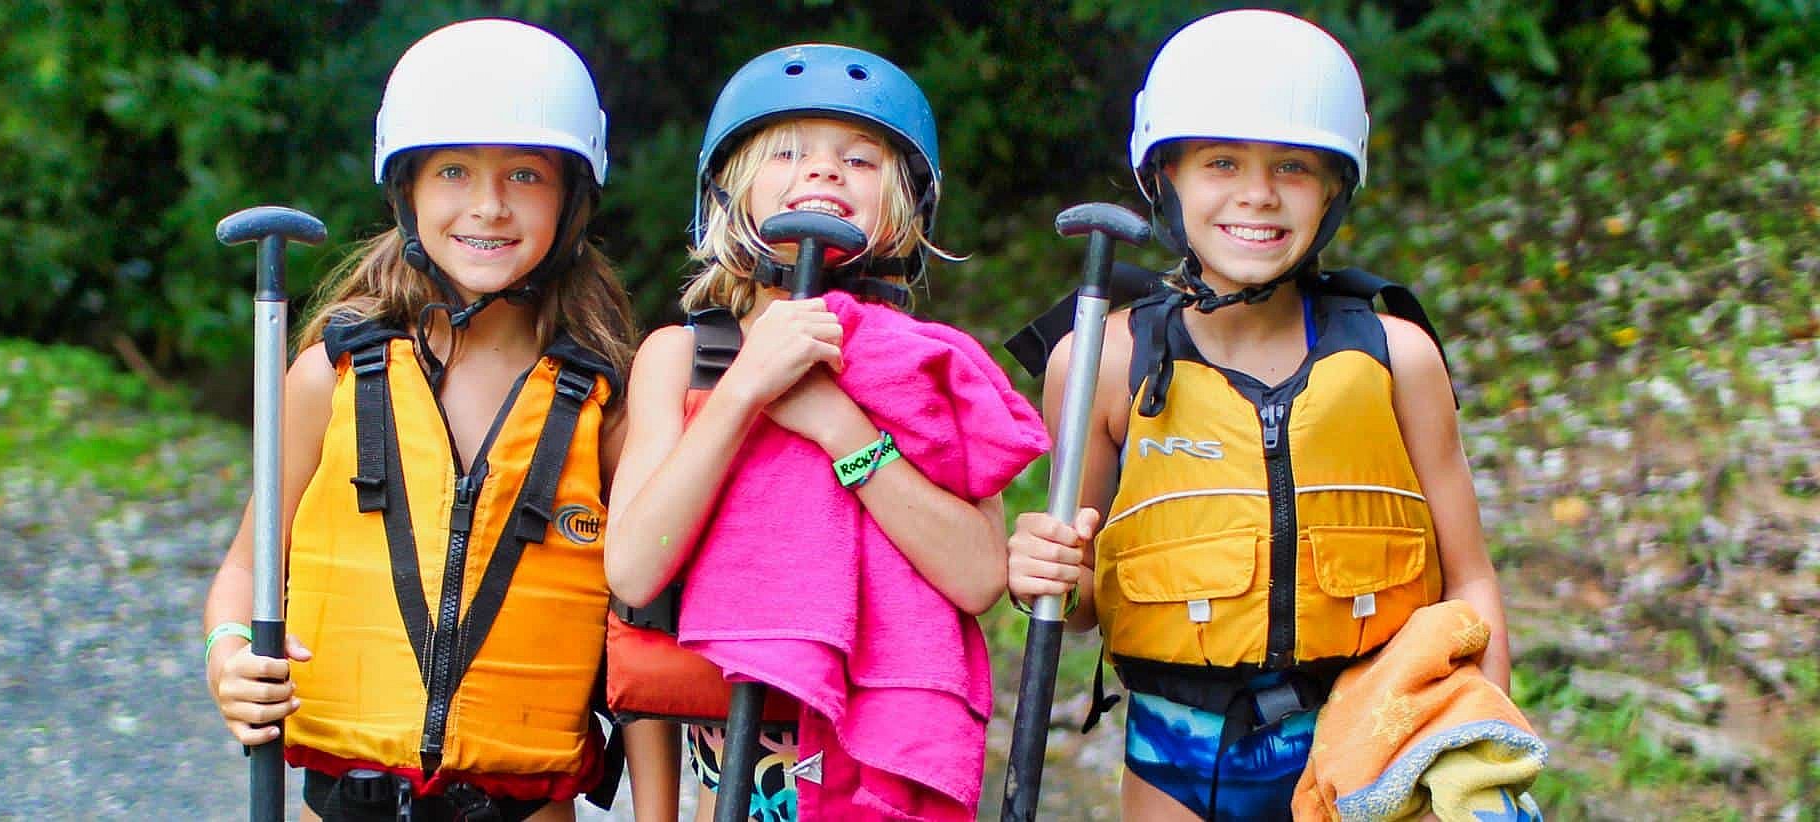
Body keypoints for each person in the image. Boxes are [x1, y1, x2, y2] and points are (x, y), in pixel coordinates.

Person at [1004, 9, 1514, 821]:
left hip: (1372, 754)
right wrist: (1045, 573)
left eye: (1293, 167)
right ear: (1164, 176)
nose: (1257, 195)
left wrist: (1482, 738)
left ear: (1335, 188)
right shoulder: (1100, 360)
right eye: (1220, 162)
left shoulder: (1398, 356)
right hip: (1177, 760)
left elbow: (1471, 577)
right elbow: (1086, 599)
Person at [199, 19, 662, 821]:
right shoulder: (329, 378)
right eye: (453, 171)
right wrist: (226, 654)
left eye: (525, 174)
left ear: (573, 200)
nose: (488, 206)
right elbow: (246, 571)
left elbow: (642, 636)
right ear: (406, 191)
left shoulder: (605, 410)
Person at [604, 44, 1048, 821]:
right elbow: (635, 571)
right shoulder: (685, 359)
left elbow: (979, 576)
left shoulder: (926, 369)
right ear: (729, 192)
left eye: (861, 159)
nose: (825, 171)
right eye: (786, 151)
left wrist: (838, 425)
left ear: (907, 206)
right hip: (738, 769)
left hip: (874, 761)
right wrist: (745, 389)